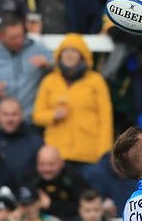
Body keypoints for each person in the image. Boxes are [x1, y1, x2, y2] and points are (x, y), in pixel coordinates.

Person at [33, 33, 113, 173]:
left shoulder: (96, 81)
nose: (69, 54)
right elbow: (37, 116)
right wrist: (53, 115)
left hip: (89, 154)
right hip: (57, 155)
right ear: (59, 54)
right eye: (66, 50)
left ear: (83, 55)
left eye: (74, 51)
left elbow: (106, 119)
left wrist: (103, 153)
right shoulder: (49, 81)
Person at [0, 14, 53, 124]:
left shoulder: (38, 48)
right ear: (1, 36)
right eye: (13, 38)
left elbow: (62, 70)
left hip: (32, 121)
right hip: (3, 124)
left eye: (22, 36)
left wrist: (49, 65)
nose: (19, 41)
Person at [19, 145, 91, 221]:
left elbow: (82, 205)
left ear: (61, 163)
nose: (46, 169)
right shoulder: (29, 176)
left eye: (51, 164)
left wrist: (51, 205)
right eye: (42, 164)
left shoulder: (73, 177)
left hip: (67, 218)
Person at [0, 97, 43, 174]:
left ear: (22, 116)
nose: (10, 119)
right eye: (5, 114)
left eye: (14, 114)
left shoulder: (36, 143)